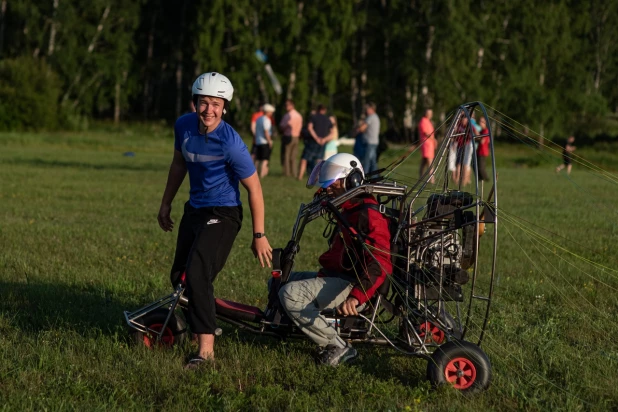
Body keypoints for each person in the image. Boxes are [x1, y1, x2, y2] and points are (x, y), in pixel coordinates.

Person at [157, 72, 272, 368]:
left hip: (224, 213)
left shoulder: (231, 143)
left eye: (216, 104)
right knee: (180, 276)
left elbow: (255, 189)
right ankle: (198, 329)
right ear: (195, 103)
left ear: (225, 107)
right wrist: (166, 203)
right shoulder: (183, 126)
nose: (209, 110)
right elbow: (178, 163)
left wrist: (258, 235)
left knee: (197, 273)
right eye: (204, 103)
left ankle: (205, 352)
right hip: (195, 209)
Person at [278, 153, 393, 366]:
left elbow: (381, 261)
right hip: (337, 277)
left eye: (333, 182)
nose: (328, 188)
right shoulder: (348, 206)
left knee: (289, 294)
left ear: (353, 181)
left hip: (353, 286)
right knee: (278, 283)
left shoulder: (367, 213)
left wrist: (357, 296)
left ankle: (339, 346)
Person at [298, 104, 332, 181]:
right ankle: (317, 178)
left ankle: (300, 176)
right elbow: (332, 133)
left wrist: (316, 138)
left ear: (317, 109)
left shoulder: (313, 117)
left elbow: (309, 128)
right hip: (322, 142)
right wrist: (324, 139)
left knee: (304, 159)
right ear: (324, 110)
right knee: (319, 160)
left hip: (312, 141)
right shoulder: (327, 119)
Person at [279, 99, 303, 177]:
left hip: (288, 136)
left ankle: (287, 172)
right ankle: (294, 172)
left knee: (286, 155)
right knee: (293, 156)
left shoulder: (287, 116)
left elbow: (282, 126)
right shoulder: (299, 115)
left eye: (287, 105)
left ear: (292, 105)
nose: (286, 107)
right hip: (296, 136)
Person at [356, 102, 380, 173]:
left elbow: (362, 128)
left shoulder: (371, 117)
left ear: (371, 109)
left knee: (366, 162)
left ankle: (365, 176)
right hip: (374, 142)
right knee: (373, 162)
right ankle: (375, 176)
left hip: (369, 143)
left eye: (367, 109)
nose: (366, 110)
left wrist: (356, 130)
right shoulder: (376, 117)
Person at [254, 104, 276, 178]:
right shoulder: (266, 120)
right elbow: (266, 132)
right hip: (264, 142)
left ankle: (255, 173)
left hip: (258, 141)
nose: (271, 113)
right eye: (271, 112)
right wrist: (269, 141)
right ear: (268, 112)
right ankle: (262, 174)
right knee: (265, 159)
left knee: (258, 159)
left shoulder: (258, 119)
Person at [418, 109, 436, 184]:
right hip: (426, 144)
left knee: (424, 162)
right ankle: (432, 179)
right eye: (429, 113)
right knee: (430, 162)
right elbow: (426, 133)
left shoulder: (428, 121)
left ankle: (421, 177)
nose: (430, 114)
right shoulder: (423, 121)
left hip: (430, 144)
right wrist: (433, 139)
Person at [476, 116, 490, 182]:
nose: (480, 123)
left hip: (483, 151)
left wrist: (476, 135)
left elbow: (482, 141)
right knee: (478, 167)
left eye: (482, 122)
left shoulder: (486, 131)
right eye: (480, 121)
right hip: (479, 151)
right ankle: (481, 179)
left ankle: (486, 179)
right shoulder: (481, 131)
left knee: (481, 168)